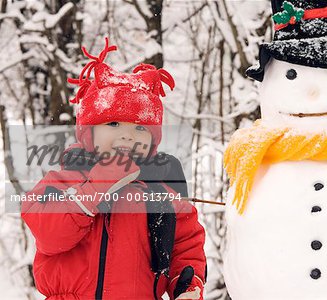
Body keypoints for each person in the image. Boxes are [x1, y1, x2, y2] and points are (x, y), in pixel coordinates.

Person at [21, 37, 206, 300]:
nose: (129, 137)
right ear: (88, 133)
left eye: (140, 128)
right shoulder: (63, 181)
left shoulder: (161, 193)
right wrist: (94, 189)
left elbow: (186, 246)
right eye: (114, 125)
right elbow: (49, 235)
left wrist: (186, 283)